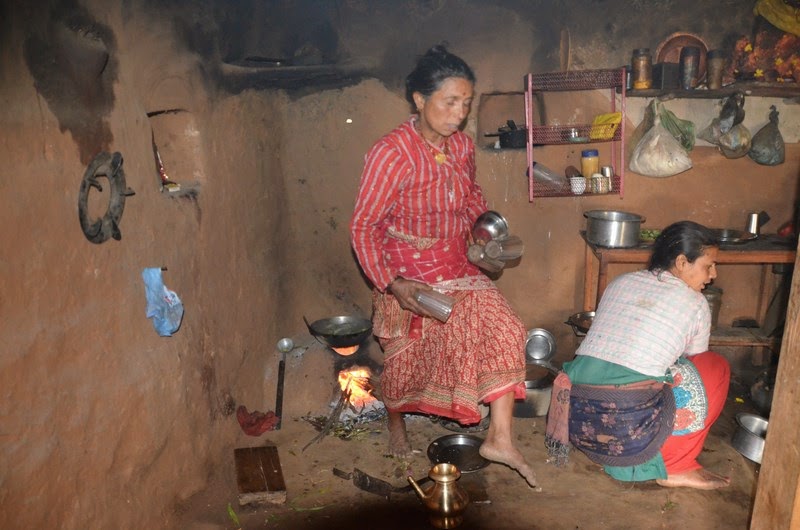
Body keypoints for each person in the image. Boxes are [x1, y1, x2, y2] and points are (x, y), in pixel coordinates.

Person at [349, 44, 538, 489]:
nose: (459, 114)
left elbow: (471, 197)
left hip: (455, 263)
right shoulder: (391, 153)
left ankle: (500, 438)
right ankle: (396, 421)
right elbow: (363, 227)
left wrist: (482, 235)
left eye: (466, 104)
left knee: (506, 327)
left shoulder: (463, 148)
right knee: (404, 355)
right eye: (450, 102)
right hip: (408, 272)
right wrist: (393, 284)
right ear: (419, 99)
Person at [546, 220, 732, 490]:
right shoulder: (696, 303)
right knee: (713, 367)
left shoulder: (621, 281)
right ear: (682, 262)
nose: (713, 274)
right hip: (628, 435)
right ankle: (676, 465)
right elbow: (694, 360)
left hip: (578, 421)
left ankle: (620, 448)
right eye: (708, 265)